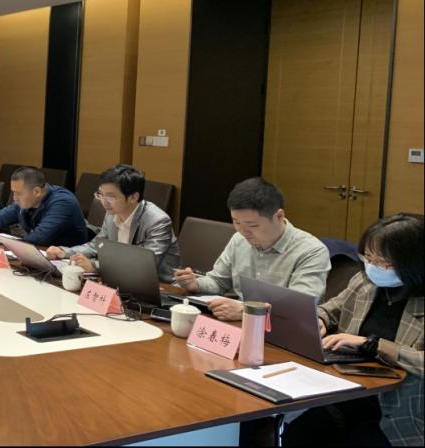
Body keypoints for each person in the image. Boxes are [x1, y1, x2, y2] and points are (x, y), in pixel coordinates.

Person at [283, 214, 423, 447]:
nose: (372, 267)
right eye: (368, 257)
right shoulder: (365, 282)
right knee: (298, 431)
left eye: (383, 262)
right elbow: (333, 308)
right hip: (348, 390)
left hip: (399, 410)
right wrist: (320, 319)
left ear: (413, 263)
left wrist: (371, 344)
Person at [173, 177, 329, 321]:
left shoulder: (311, 251)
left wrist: (245, 311)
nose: (243, 231)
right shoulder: (239, 240)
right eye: (236, 222)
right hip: (238, 324)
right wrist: (195, 284)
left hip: (282, 332)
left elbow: (298, 309)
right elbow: (218, 281)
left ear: (279, 216)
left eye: (252, 225)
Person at [45, 164, 180, 282]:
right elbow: (96, 245)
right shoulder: (112, 213)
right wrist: (64, 252)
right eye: (100, 194)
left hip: (160, 286)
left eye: (110, 196)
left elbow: (144, 265)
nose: (104, 201)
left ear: (133, 197)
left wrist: (95, 266)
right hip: (119, 280)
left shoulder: (157, 221)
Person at [0, 166, 89, 247]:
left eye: (18, 193)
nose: (14, 198)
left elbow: (39, 237)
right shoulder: (27, 200)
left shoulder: (62, 202)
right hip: (39, 255)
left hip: (67, 263)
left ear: (37, 191)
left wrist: (4, 242)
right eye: (13, 192)